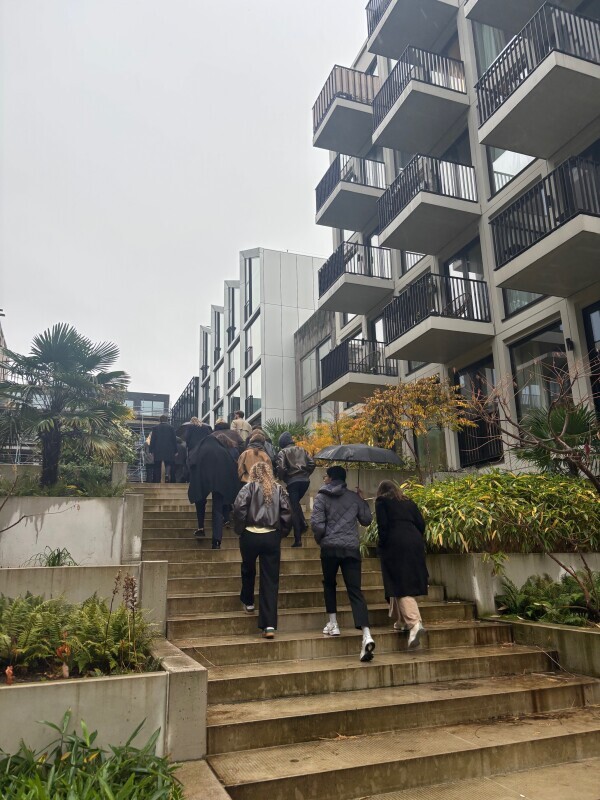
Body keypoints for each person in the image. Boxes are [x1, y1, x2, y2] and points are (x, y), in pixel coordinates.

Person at [311, 465, 375, 663]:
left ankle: (333, 623)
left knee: (329, 584)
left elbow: (317, 524)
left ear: (331, 478)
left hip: (330, 549)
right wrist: (361, 500)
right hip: (351, 549)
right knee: (355, 591)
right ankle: (366, 634)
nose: (324, 479)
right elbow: (367, 520)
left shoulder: (321, 497)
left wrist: (322, 540)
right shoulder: (354, 497)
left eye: (326, 476)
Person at [233, 461, 292, 639]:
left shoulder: (248, 488)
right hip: (271, 536)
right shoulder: (278, 489)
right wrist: (281, 533)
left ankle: (249, 601)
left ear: (253, 473)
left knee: (248, 568)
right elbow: (287, 513)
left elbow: (239, 509)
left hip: (250, 535)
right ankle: (269, 625)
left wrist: (240, 529)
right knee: (270, 580)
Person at [375, 480, 428, 649]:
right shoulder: (408, 501)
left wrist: (381, 545)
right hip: (415, 541)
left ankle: (414, 623)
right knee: (401, 580)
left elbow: (383, 526)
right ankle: (401, 620)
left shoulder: (381, 501)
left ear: (381, 491)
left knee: (399, 584)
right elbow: (421, 523)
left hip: (395, 543)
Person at [188, 432, 239, 548]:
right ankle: (217, 540)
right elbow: (232, 466)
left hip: (201, 479)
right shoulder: (223, 451)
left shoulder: (200, 449)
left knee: (200, 502)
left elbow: (191, 462)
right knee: (218, 508)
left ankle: (201, 527)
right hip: (219, 481)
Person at [276, 431, 315, 547]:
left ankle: (298, 539)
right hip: (305, 481)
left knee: (293, 509)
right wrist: (306, 474)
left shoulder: (283, 452)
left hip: (293, 482)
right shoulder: (302, 450)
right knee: (295, 503)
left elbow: (281, 468)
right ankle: (303, 523)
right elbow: (312, 463)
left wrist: (283, 477)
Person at [149, 415, 177, 483]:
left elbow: (153, 439)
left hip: (158, 449)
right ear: (167, 420)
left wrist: (151, 450)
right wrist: (176, 450)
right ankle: (167, 474)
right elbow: (174, 440)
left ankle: (157, 480)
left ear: (160, 420)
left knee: (157, 465)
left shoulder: (155, 428)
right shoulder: (171, 428)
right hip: (169, 449)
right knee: (168, 463)